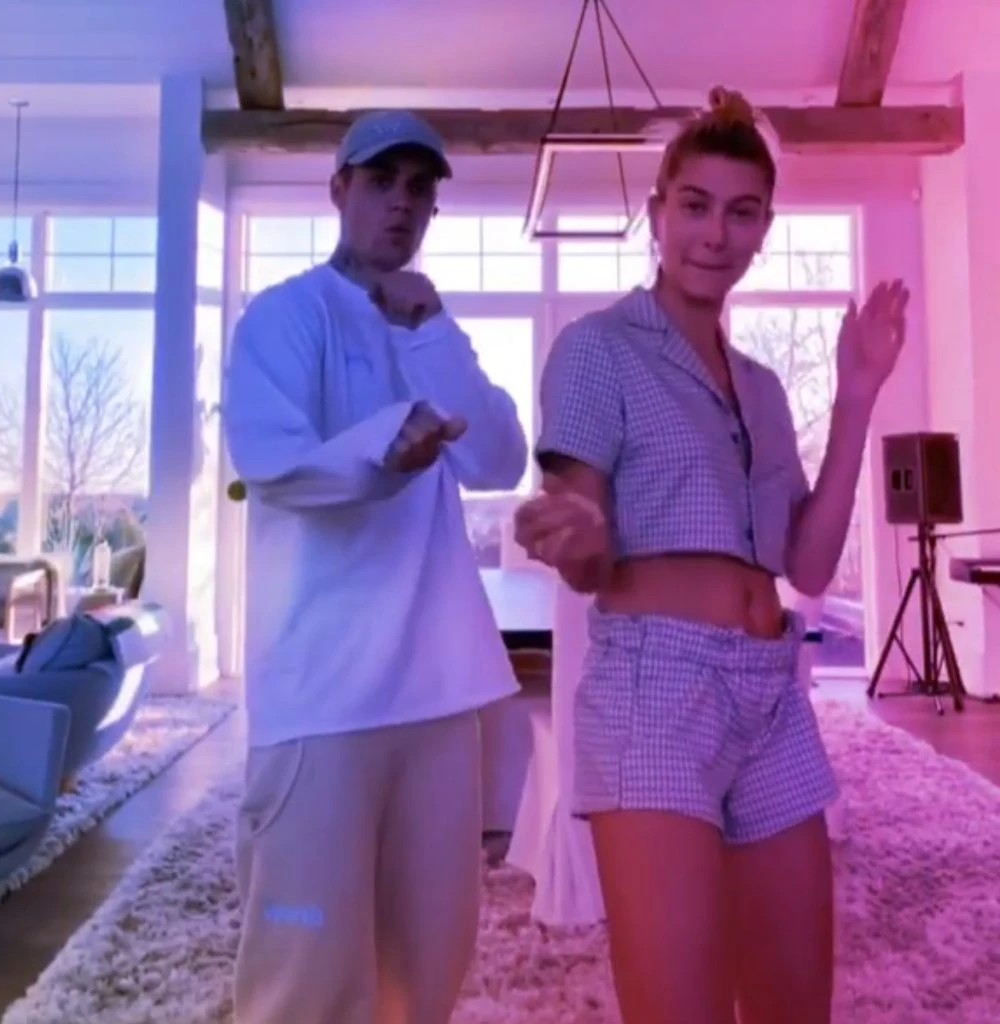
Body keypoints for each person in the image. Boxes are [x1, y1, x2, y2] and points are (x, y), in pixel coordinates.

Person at [514, 86, 908, 1024]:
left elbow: (808, 567)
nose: (716, 234)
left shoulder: (763, 387)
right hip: (655, 690)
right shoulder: (597, 350)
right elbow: (584, 543)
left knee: (794, 1006)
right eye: (695, 205)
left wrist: (857, 395)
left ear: (764, 228)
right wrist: (582, 539)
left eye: (742, 212)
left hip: (772, 693)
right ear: (658, 213)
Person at [222, 109, 528, 1024]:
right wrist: (383, 450)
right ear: (339, 190)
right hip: (322, 698)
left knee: (428, 965)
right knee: (305, 971)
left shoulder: (430, 324)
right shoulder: (286, 315)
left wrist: (429, 328)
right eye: (382, 181)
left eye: (420, 189)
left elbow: (499, 456)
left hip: (439, 699)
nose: (402, 203)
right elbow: (272, 461)